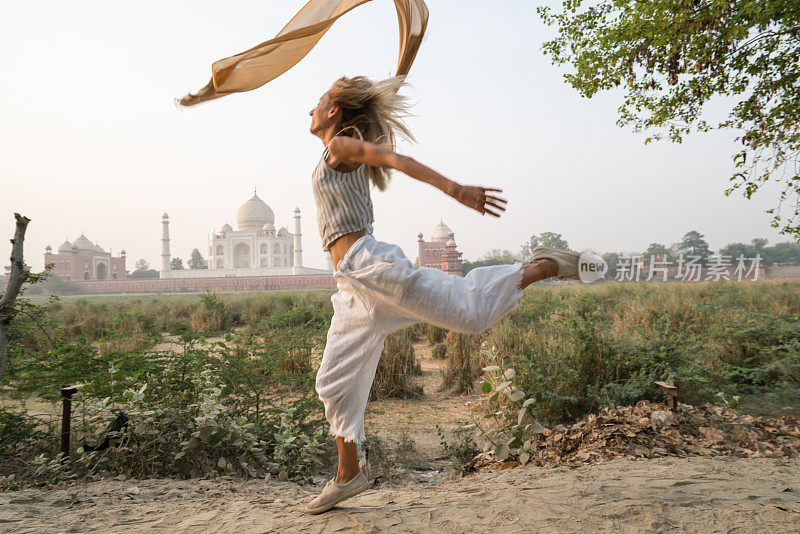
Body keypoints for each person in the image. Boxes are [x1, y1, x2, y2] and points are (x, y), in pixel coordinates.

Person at [304, 75, 583, 515]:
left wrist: (457, 190)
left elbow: (393, 158)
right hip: (351, 287)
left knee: (470, 315)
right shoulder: (334, 150)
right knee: (332, 380)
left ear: (335, 112)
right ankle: (348, 475)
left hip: (370, 268)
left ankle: (544, 266)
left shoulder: (341, 144)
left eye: (318, 102)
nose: (311, 109)